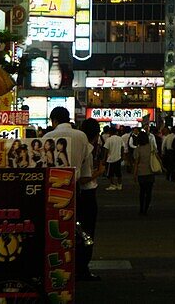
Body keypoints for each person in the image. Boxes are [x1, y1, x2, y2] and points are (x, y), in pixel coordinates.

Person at [42, 106, 100, 282]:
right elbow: (85, 166)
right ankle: (82, 268)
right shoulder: (81, 137)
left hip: (54, 192)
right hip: (80, 192)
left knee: (58, 230)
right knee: (85, 231)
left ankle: (59, 267)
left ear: (54, 121)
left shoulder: (46, 138)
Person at [78, 117, 105, 275]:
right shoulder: (87, 149)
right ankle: (83, 268)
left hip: (79, 194)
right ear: (96, 134)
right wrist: (99, 172)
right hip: (87, 194)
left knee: (80, 231)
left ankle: (79, 265)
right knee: (87, 231)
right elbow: (84, 178)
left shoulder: (80, 146)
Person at [130, 129, 157, 215]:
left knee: (142, 191)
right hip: (150, 171)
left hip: (141, 173)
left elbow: (136, 163)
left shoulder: (138, 149)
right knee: (149, 192)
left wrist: (134, 174)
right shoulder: (151, 147)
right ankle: (146, 208)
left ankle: (141, 208)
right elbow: (156, 157)